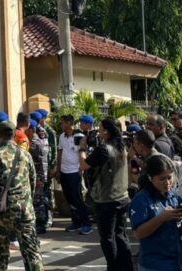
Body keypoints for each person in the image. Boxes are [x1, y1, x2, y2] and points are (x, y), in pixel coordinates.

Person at [0, 120, 44, 271]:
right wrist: (26, 200)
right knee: (31, 251)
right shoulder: (25, 154)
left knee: (0, 251)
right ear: (13, 135)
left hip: (1, 210)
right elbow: (32, 180)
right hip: (24, 209)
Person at [78, 117, 133, 271]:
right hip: (122, 196)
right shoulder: (121, 146)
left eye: (101, 128)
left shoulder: (104, 149)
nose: (98, 131)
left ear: (107, 131)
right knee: (120, 234)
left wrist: (81, 149)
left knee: (107, 237)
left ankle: (113, 267)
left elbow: (84, 165)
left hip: (107, 199)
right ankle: (126, 266)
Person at [129, 155, 182, 271]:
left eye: (169, 177)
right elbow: (138, 233)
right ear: (150, 178)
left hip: (176, 261)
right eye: (162, 179)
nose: (167, 182)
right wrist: (161, 218)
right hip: (155, 264)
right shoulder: (141, 200)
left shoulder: (173, 195)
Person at [56, 114, 93, 235]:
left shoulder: (79, 136)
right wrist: (58, 169)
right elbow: (60, 152)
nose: (60, 125)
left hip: (74, 172)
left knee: (77, 198)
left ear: (68, 123)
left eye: (62, 122)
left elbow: (83, 154)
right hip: (64, 171)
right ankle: (76, 221)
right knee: (69, 198)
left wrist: (81, 169)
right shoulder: (61, 136)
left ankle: (86, 223)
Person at [26, 119, 49, 234]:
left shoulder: (37, 143)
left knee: (38, 202)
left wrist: (41, 179)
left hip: (38, 177)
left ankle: (41, 224)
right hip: (32, 177)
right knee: (34, 201)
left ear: (31, 130)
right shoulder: (30, 142)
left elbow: (43, 162)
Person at [35, 109, 56, 228]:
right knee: (40, 194)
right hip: (40, 167)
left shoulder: (49, 131)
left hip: (46, 167)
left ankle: (49, 216)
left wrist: (52, 167)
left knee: (47, 192)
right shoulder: (36, 129)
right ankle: (41, 216)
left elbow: (53, 150)